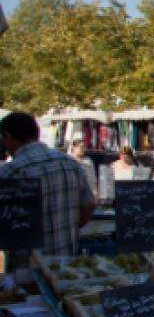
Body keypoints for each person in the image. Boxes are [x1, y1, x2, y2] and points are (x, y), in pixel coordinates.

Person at [0, 112, 95, 264]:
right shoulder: (70, 164)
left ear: (8, 137)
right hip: (68, 266)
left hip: (26, 270)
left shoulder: (10, 172)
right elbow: (88, 207)